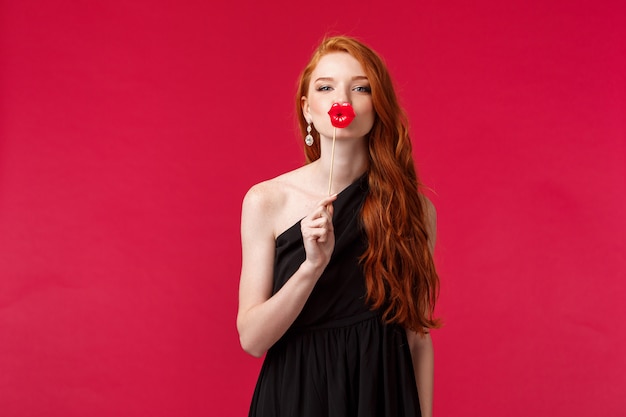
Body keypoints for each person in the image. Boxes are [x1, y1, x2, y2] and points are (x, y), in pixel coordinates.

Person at [237, 35, 441, 417]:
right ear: (308, 110)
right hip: (297, 397)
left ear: (376, 107)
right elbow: (252, 339)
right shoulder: (266, 201)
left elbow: (416, 337)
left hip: (381, 395)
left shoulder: (415, 210)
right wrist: (311, 267)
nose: (341, 98)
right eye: (325, 87)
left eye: (360, 87)